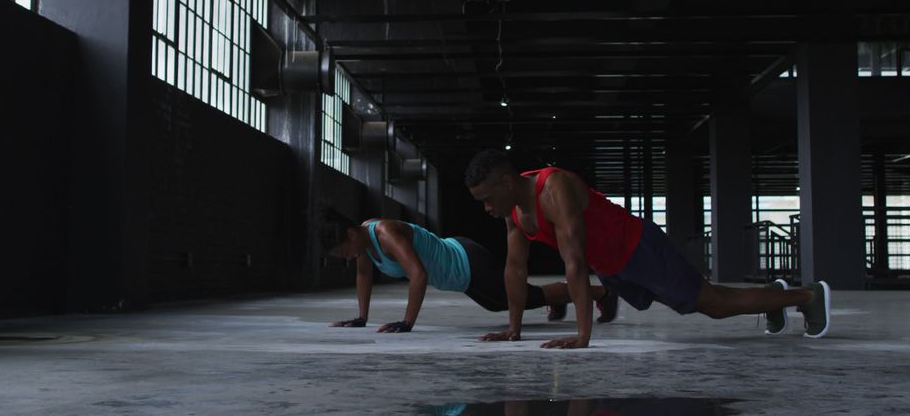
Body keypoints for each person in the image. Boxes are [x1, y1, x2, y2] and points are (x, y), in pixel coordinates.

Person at [464, 149, 831, 349]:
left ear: (508, 182)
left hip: (638, 247)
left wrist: (582, 337)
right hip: (611, 265)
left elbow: (574, 262)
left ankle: (807, 296)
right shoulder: (512, 212)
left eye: (486, 199)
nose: (485, 208)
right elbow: (515, 269)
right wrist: (513, 329)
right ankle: (774, 296)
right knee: (684, 300)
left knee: (712, 305)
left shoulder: (553, 189)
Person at [318, 206, 619, 332]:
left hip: (466, 260)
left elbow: (418, 275)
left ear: (351, 233)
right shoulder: (363, 248)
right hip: (460, 275)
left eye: (345, 250)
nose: (348, 257)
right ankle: (560, 300)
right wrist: (361, 318)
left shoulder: (384, 233)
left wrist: (407, 323)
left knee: (520, 299)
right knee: (508, 303)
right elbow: (363, 275)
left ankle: (601, 292)